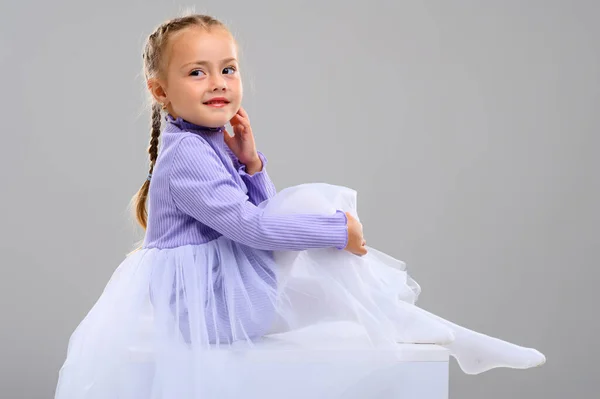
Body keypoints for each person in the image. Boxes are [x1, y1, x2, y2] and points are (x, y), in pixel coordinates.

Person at [54, 13, 546, 399]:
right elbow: (258, 228)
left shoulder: (205, 142)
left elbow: (262, 213)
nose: (219, 83)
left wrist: (249, 163)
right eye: (197, 73)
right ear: (160, 91)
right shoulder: (186, 156)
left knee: (337, 296)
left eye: (228, 69)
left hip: (225, 289)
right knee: (319, 204)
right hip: (213, 307)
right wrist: (338, 230)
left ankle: (450, 340)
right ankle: (455, 340)